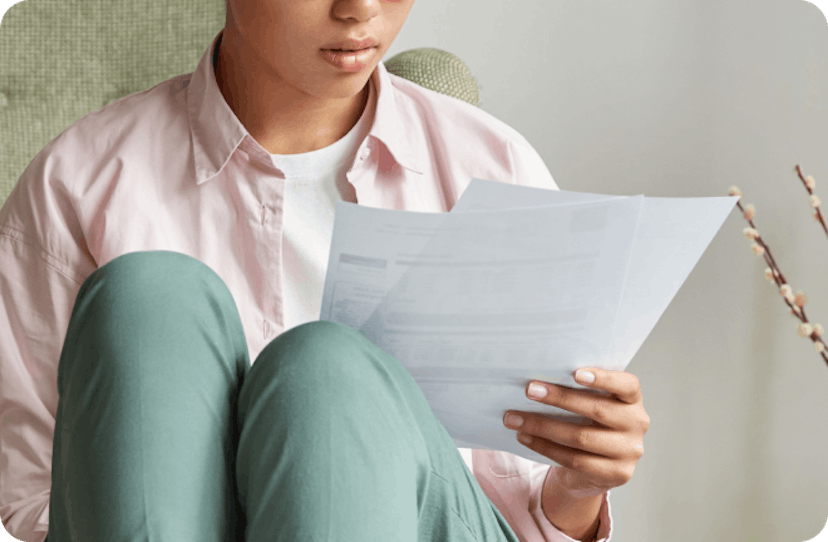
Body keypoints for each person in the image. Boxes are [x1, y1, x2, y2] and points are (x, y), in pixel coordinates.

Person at [0, 0, 650, 541]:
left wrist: (581, 481)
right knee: (146, 299)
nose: (359, 9)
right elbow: (32, 492)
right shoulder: (78, 181)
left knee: (326, 370)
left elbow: (535, 511)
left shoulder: (490, 165)